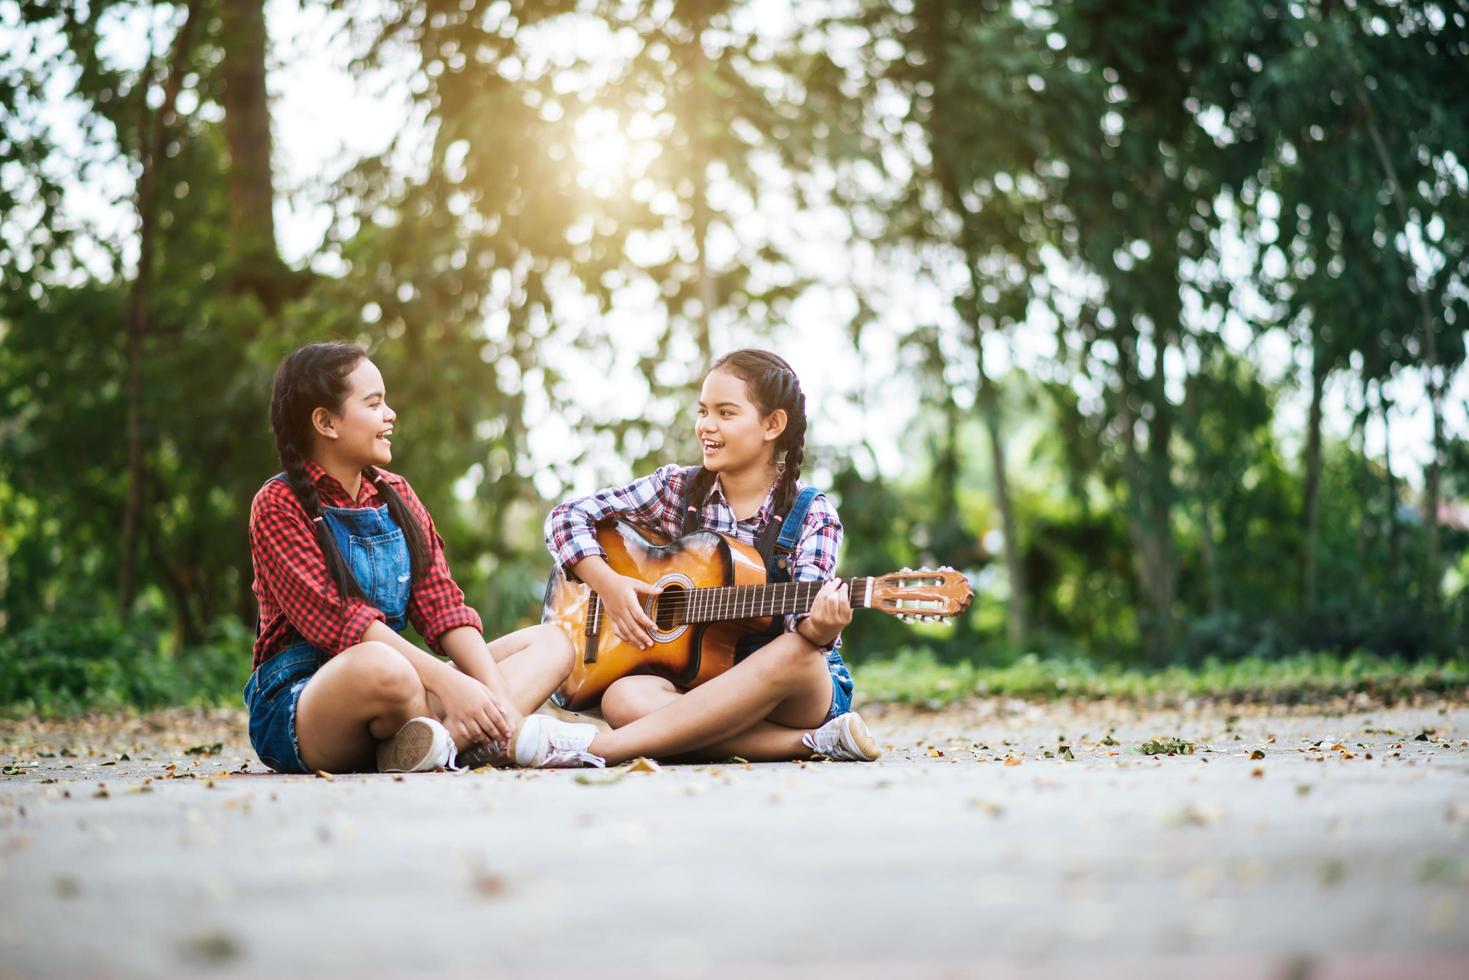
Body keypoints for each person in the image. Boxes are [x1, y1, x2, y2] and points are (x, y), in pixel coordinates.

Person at [518, 349, 881, 768]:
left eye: (726, 413)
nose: (706, 426)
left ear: (772, 424)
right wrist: (609, 584)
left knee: (797, 652)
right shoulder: (676, 489)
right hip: (701, 683)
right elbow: (566, 517)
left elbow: (806, 634)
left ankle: (602, 750)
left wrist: (821, 625)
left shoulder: (812, 515)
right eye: (703, 411)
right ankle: (811, 743)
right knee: (623, 698)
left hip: (788, 691)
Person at [245, 342, 572, 774]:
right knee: (385, 667)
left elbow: (444, 609)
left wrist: (494, 701)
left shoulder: (396, 493)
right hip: (305, 702)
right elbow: (345, 624)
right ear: (325, 422)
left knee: (551, 642)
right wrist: (450, 683)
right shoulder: (277, 504)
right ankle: (450, 738)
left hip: (407, 692)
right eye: (374, 403)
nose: (390, 414)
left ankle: (450, 741)